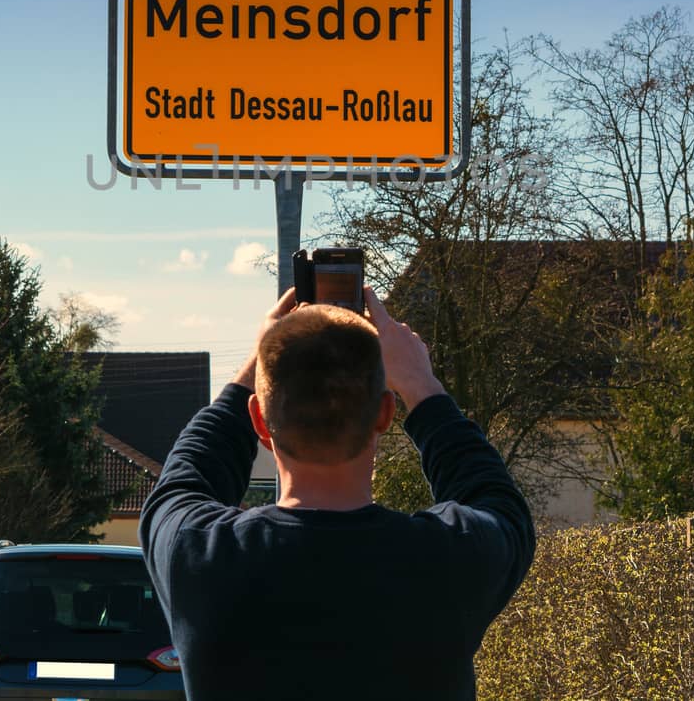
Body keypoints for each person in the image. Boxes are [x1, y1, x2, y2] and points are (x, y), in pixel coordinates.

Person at [139, 285, 535, 700]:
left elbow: (187, 473)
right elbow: (497, 501)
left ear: (258, 419)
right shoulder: (449, 559)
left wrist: (259, 359)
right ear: (385, 412)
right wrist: (422, 385)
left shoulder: (197, 553)